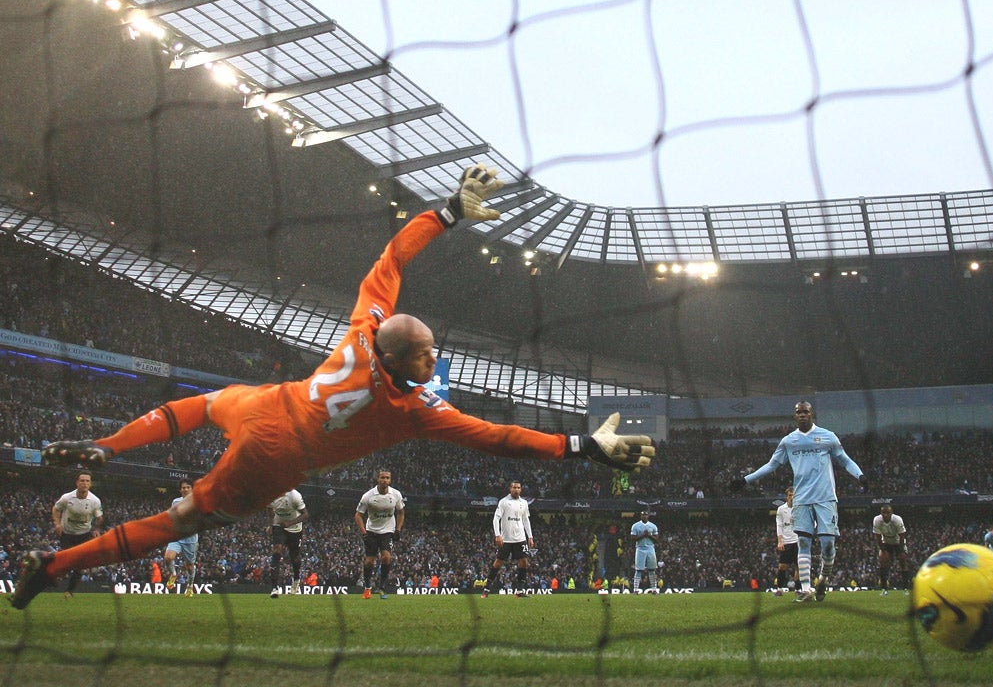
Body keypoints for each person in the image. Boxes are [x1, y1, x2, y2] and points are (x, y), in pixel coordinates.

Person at [10, 165, 654, 610]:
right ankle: (55, 566)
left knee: (201, 405)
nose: (435, 360)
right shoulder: (412, 410)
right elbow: (501, 439)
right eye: (426, 355)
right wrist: (582, 446)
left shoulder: (366, 327)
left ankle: (107, 447)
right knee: (181, 518)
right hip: (276, 457)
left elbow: (393, 258)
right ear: (400, 360)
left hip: (270, 401)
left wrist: (449, 211)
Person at [729, 401, 867, 603]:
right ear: (795, 416)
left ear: (812, 414)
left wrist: (860, 476)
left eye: (805, 412)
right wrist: (745, 480)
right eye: (799, 412)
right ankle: (806, 590)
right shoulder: (788, 441)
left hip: (825, 498)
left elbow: (845, 459)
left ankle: (823, 579)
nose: (802, 415)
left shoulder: (828, 436)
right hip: (801, 499)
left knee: (828, 546)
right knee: (803, 542)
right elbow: (771, 465)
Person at [51, 471, 103, 599]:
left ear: (90, 484)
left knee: (80, 566)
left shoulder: (95, 501)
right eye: (82, 481)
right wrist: (57, 524)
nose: (84, 483)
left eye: (87, 481)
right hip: (67, 534)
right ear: (77, 483)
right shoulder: (67, 498)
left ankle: (69, 591)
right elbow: (56, 509)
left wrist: (96, 529)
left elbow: (99, 517)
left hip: (84, 535)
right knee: (67, 561)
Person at [354, 470, 404, 599]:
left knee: (386, 558)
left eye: (387, 478)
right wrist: (364, 534)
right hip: (371, 531)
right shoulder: (368, 496)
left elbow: (401, 512)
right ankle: (367, 587)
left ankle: (382, 587)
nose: (385, 480)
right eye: (382, 477)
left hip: (387, 531)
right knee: (369, 562)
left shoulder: (396, 494)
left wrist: (398, 530)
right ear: (378, 479)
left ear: (390, 480)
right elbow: (358, 515)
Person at [482, 480, 534, 598]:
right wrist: (497, 535)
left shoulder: (524, 503)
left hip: (520, 538)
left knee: (524, 562)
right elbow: (496, 519)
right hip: (506, 539)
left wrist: (530, 536)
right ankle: (486, 588)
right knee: (498, 562)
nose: (516, 490)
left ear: (521, 489)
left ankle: (519, 590)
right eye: (514, 487)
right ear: (510, 489)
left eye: (518, 488)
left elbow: (526, 520)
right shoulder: (504, 502)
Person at [267, 488, 309, 598]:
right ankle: (274, 588)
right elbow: (270, 511)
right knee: (277, 550)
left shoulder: (294, 496)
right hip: (279, 525)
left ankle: (296, 579)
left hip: (295, 528)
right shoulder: (270, 495)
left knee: (294, 557)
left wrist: (290, 523)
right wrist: (271, 525)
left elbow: (305, 514)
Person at [163, 479, 199, 597]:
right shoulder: (176, 501)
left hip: (190, 539)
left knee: (189, 566)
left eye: (188, 487)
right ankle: (173, 574)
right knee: (168, 557)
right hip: (177, 536)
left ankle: (190, 586)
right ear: (180, 490)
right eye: (183, 488)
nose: (185, 489)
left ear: (192, 489)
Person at [872, 505, 909, 594]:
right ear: (881, 513)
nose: (885, 515)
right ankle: (884, 589)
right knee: (883, 561)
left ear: (892, 513)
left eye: (888, 513)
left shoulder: (897, 520)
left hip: (898, 541)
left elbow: (902, 536)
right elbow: (878, 537)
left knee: (902, 561)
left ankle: (906, 588)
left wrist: (901, 550)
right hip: (886, 541)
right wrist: (883, 550)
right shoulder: (877, 520)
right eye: (883, 513)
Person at [773, 486, 797, 596]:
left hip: (798, 540)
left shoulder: (800, 508)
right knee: (782, 566)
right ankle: (780, 589)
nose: (792, 497)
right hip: (786, 541)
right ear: (786, 497)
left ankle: (798, 590)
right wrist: (780, 541)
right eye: (790, 495)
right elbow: (779, 525)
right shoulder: (781, 509)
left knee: (798, 567)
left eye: (794, 495)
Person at [629, 510, 659, 594]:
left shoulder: (653, 526)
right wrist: (643, 535)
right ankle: (635, 589)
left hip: (650, 548)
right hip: (640, 548)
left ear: (648, 516)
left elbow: (657, 539)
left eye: (646, 515)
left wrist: (649, 535)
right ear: (641, 516)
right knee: (638, 569)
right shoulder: (635, 526)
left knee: (652, 569)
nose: (644, 516)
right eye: (643, 515)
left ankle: (654, 589)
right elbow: (632, 538)